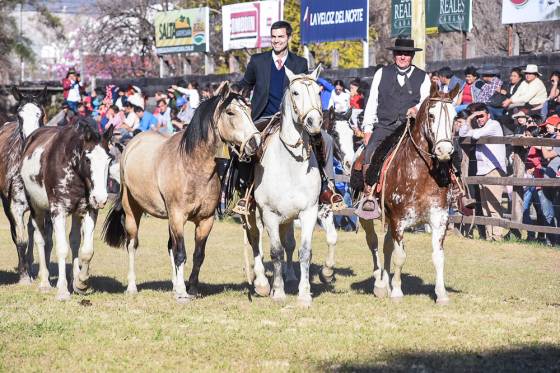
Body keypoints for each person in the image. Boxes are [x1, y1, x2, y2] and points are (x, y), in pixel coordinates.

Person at [234, 20, 343, 213]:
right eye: (274, 37)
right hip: (264, 117)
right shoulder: (257, 61)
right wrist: (234, 92)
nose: (276, 41)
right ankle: (247, 193)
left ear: (289, 38)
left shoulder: (300, 63)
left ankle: (327, 187)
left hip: (293, 120)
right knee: (249, 143)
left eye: (281, 37)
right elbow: (245, 83)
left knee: (324, 137)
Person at [359, 38, 431, 216]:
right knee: (370, 151)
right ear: (394, 55)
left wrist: (417, 108)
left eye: (407, 53)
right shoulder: (381, 73)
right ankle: (369, 194)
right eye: (399, 53)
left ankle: (454, 191)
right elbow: (372, 102)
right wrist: (368, 128)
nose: (403, 57)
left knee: (440, 150)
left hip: (411, 127)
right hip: (385, 125)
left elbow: (427, 101)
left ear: (412, 55)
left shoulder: (423, 77)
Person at [458, 103, 507, 241]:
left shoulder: (494, 124)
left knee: (494, 205)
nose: (479, 119)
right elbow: (462, 133)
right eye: (477, 116)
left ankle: (497, 236)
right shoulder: (480, 126)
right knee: (485, 207)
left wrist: (471, 125)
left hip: (493, 169)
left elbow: (475, 135)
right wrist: (469, 119)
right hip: (483, 170)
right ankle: (490, 236)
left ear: (488, 115)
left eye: (481, 116)